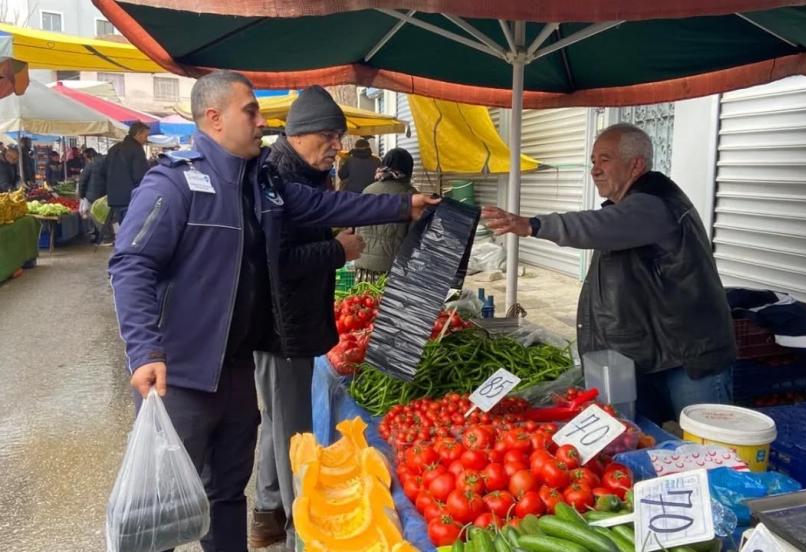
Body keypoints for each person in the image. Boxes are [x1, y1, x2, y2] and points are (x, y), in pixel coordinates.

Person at [108, 70, 438, 552]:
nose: (262, 122)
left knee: (227, 496)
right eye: (251, 111)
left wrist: (404, 206)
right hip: (180, 374)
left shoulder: (261, 184)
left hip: (237, 370)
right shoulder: (173, 184)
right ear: (215, 118)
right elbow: (131, 264)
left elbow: (328, 207)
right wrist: (144, 350)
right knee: (163, 511)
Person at [482, 123, 736, 425]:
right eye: (593, 161)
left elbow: (596, 225)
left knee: (710, 441)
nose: (595, 170)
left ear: (636, 165)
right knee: (645, 437)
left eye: (605, 159)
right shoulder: (630, 206)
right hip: (653, 354)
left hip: (690, 356)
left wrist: (533, 225)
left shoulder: (655, 203)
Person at [249, 85, 369, 549]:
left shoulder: (305, 174)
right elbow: (276, 260)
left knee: (278, 422)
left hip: (292, 322)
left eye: (340, 137)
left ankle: (266, 514)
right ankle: (300, 531)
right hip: (282, 327)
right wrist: (337, 250)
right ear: (299, 134)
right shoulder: (279, 177)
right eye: (330, 136)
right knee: (294, 432)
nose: (337, 146)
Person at [353, 147, 418, 283]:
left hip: (362, 268)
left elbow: (356, 229)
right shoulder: (412, 196)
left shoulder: (367, 191)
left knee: (364, 297)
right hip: (392, 272)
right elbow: (415, 239)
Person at [105, 122, 150, 226]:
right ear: (138, 133)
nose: (146, 139)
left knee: (121, 227)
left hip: (114, 197)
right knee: (131, 228)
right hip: (130, 198)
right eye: (145, 135)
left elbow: (104, 170)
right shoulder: (137, 150)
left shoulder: (113, 148)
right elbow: (140, 176)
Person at [78, 148, 110, 242]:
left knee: (93, 217)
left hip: (93, 195)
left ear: (89, 157)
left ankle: (97, 236)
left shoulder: (90, 164)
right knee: (104, 215)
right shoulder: (107, 162)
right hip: (105, 194)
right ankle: (106, 236)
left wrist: (81, 195)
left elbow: (82, 181)